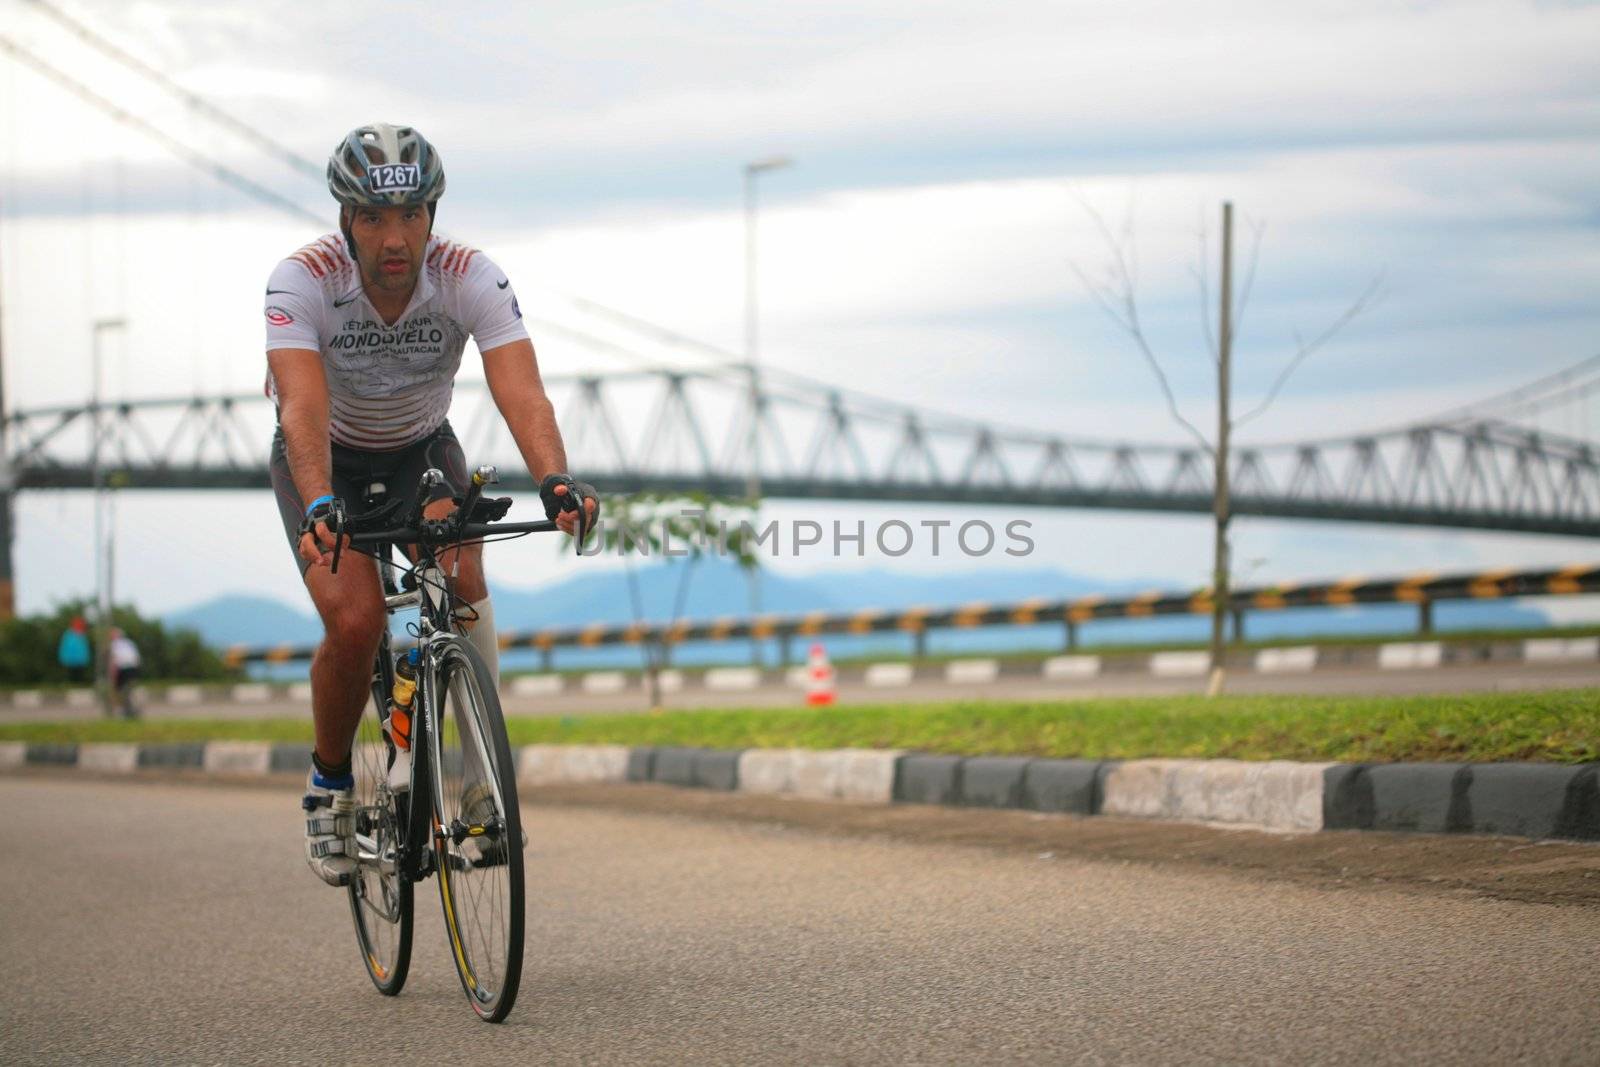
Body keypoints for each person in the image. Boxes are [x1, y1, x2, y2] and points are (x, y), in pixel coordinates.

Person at [264, 123, 597, 886]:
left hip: (420, 447)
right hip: (327, 461)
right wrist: (318, 501)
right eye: (376, 218)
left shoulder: (467, 274)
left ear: (433, 217)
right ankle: (330, 784)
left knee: (463, 575)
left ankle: (479, 782)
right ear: (346, 218)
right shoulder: (302, 280)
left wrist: (555, 479)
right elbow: (302, 408)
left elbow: (521, 387)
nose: (395, 238)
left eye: (412, 216)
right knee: (356, 620)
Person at [108, 627, 141, 720]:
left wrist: (113, 673)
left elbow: (114, 660)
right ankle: (130, 710)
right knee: (128, 691)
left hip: (123, 669)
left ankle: (123, 711)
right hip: (132, 669)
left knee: (121, 691)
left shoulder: (114, 644)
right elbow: (136, 658)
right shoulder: (129, 643)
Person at [57, 615, 91, 685]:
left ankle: (79, 683)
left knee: (79, 673)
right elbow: (65, 646)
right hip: (69, 659)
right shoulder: (68, 634)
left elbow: (84, 648)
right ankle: (69, 682)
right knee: (70, 672)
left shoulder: (82, 635)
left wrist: (85, 657)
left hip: (80, 660)